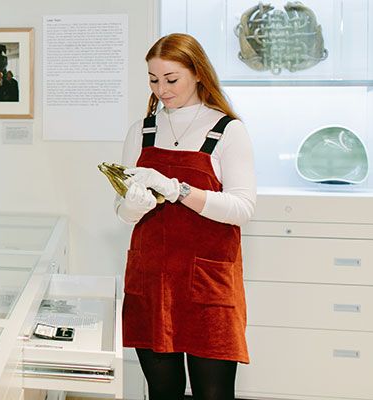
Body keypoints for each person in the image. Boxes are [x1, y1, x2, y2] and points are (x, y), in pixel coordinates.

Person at [115, 33, 256, 400]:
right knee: (163, 391)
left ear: (197, 73)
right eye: (153, 79)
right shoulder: (142, 131)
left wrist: (180, 191)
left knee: (214, 393)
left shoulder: (227, 130)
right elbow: (122, 212)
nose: (161, 89)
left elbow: (242, 209)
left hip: (208, 285)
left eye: (171, 79)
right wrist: (133, 205)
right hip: (152, 280)